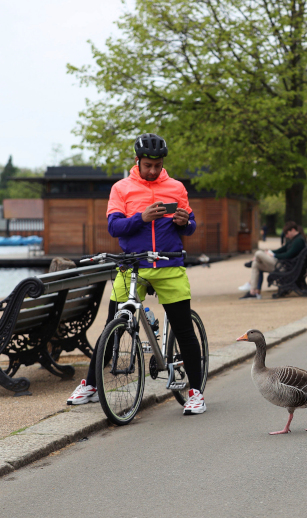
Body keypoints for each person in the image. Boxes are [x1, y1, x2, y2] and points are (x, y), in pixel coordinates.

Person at [67, 133, 206, 415]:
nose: (153, 170)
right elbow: (114, 227)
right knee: (112, 326)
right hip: (132, 266)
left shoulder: (176, 187)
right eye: (148, 165)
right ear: (137, 161)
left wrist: (185, 222)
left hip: (169, 265)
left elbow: (189, 226)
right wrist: (141, 218)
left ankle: (195, 392)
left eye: (158, 165)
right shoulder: (122, 188)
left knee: (183, 329)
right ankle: (92, 386)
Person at [239, 221, 307, 299]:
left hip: (284, 268)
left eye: (287, 233)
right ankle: (254, 292)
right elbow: (281, 249)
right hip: (284, 266)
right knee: (256, 264)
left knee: (258, 253)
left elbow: (288, 255)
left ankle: (251, 262)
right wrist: (269, 252)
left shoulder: (298, 241)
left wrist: (273, 255)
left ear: (293, 230)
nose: (286, 236)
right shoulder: (294, 240)